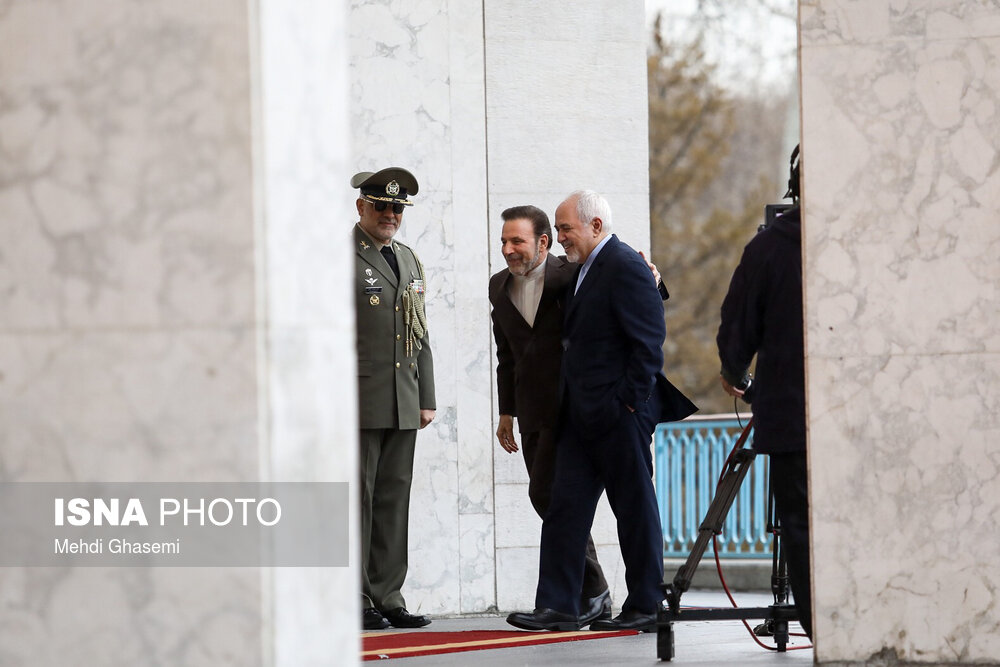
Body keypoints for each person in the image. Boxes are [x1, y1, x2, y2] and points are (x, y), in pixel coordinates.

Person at [506, 190, 696, 633]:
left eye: (566, 228)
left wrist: (627, 401)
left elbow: (649, 343)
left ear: (595, 225)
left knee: (633, 508)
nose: (560, 237)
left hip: (618, 414)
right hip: (580, 415)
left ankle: (647, 604)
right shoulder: (582, 270)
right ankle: (558, 607)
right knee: (564, 510)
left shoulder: (625, 264)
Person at [716, 146, 811, 639]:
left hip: (792, 422)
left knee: (801, 527)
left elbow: (737, 330)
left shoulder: (769, 248)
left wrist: (736, 372)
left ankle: (823, 630)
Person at [352, 166, 436, 630]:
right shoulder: (340, 256)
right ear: (361, 206)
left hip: (403, 400)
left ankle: (388, 595)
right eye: (381, 206)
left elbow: (420, 332)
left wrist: (426, 394)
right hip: (358, 398)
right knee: (358, 501)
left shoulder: (409, 259)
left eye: (397, 208)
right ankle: (355, 595)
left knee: (393, 500)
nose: (390, 215)